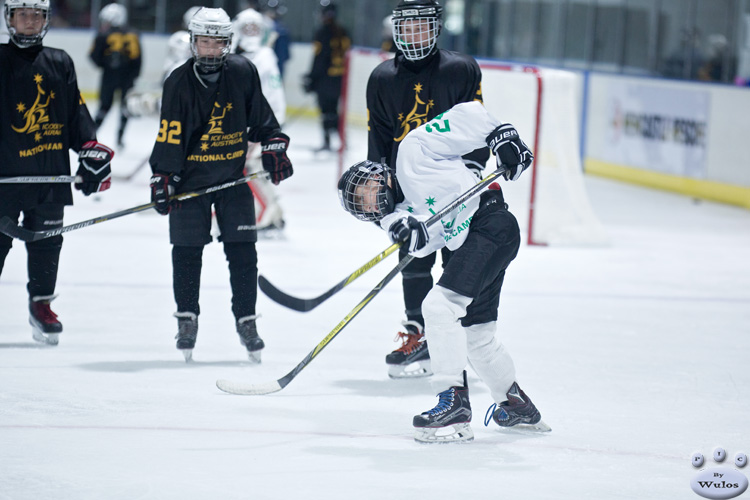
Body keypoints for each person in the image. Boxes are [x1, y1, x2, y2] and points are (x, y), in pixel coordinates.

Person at [337, 101, 545, 443]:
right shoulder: (392, 216)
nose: (372, 203)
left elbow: (468, 115)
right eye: (364, 205)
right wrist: (413, 234)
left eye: (368, 192)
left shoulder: (413, 151)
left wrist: (501, 137)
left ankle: (454, 402)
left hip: (490, 222)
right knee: (477, 337)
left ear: (379, 175)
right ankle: (516, 404)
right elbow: (422, 244)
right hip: (470, 245)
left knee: (437, 308)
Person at [148, 6, 293, 363]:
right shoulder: (178, 81)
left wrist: (275, 144)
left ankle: (246, 320)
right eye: (203, 42)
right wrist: (162, 176)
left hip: (231, 180)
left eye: (217, 43)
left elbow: (263, 122)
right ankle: (187, 318)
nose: (210, 50)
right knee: (186, 253)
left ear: (228, 43)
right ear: (193, 43)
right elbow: (170, 137)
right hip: (191, 184)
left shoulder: (243, 72)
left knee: (244, 253)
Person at [366, 0, 488, 379]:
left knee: (455, 259)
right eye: (407, 27)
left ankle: (454, 336)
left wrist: (470, 174)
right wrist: (378, 179)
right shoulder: (382, 77)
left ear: (436, 28)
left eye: (422, 27)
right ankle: (417, 334)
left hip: (454, 185)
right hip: (409, 185)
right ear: (396, 30)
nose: (414, 35)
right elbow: (380, 136)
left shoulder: (461, 68)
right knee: (414, 257)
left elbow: (476, 124)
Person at [0, 0, 114, 345]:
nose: (30, 21)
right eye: (23, 14)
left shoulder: (59, 61)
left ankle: (41, 306)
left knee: (48, 245)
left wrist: (90, 149)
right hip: (5, 176)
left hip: (49, 173)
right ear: (10, 19)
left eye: (37, 15)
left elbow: (74, 112)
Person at [233, 7, 287, 235]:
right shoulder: (238, 55)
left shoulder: (264, 56)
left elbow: (274, 95)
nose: (251, 32)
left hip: (260, 125)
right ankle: (274, 214)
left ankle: (269, 216)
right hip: (246, 124)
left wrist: (266, 128)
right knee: (254, 168)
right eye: (247, 28)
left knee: (253, 167)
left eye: (255, 28)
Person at [88, 3, 141, 148]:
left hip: (109, 76)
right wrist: (134, 75)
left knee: (104, 107)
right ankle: (120, 138)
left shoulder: (103, 35)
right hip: (127, 77)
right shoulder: (133, 34)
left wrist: (104, 64)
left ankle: (90, 136)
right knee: (126, 108)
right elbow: (138, 59)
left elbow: (93, 56)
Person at [303, 1, 350, 152]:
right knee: (334, 111)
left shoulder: (322, 32)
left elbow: (319, 58)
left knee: (325, 112)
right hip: (339, 79)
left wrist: (311, 78)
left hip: (324, 79)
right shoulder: (343, 31)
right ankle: (342, 141)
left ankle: (327, 141)